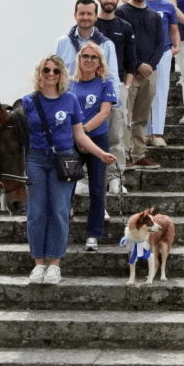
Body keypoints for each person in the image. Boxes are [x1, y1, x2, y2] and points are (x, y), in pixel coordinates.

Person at [23, 55, 114, 285]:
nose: (50, 74)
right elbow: (18, 137)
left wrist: (100, 154)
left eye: (56, 70)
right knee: (35, 212)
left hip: (63, 159)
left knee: (59, 211)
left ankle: (55, 265)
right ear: (39, 72)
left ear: (62, 74)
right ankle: (38, 264)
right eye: (46, 70)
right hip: (35, 159)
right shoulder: (28, 101)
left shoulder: (70, 99)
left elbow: (79, 135)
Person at [69, 44, 117, 252]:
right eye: (85, 56)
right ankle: (61, 230)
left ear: (99, 63)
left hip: (97, 140)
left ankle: (93, 235)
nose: (89, 60)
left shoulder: (105, 84)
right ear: (79, 59)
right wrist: (77, 137)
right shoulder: (68, 84)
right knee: (66, 186)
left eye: (94, 57)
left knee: (97, 190)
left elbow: (104, 112)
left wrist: (83, 133)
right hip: (71, 142)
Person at [115, 0, 164, 170]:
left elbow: (160, 44)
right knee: (125, 116)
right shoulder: (121, 13)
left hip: (149, 74)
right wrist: (137, 66)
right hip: (129, 73)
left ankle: (139, 154)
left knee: (142, 118)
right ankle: (124, 155)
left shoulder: (154, 15)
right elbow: (121, 43)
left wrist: (150, 66)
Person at [94, 0, 135, 194]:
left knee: (117, 134)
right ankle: (88, 177)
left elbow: (131, 60)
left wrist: (126, 86)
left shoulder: (124, 26)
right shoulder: (91, 25)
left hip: (117, 85)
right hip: (92, 87)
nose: (109, 0)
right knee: (90, 133)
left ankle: (116, 178)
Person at [143, 0, 179, 148]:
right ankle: (143, 133)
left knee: (161, 93)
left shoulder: (168, 6)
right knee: (142, 94)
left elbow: (174, 29)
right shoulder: (138, 4)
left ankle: (156, 134)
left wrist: (176, 47)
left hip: (164, 52)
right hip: (142, 55)